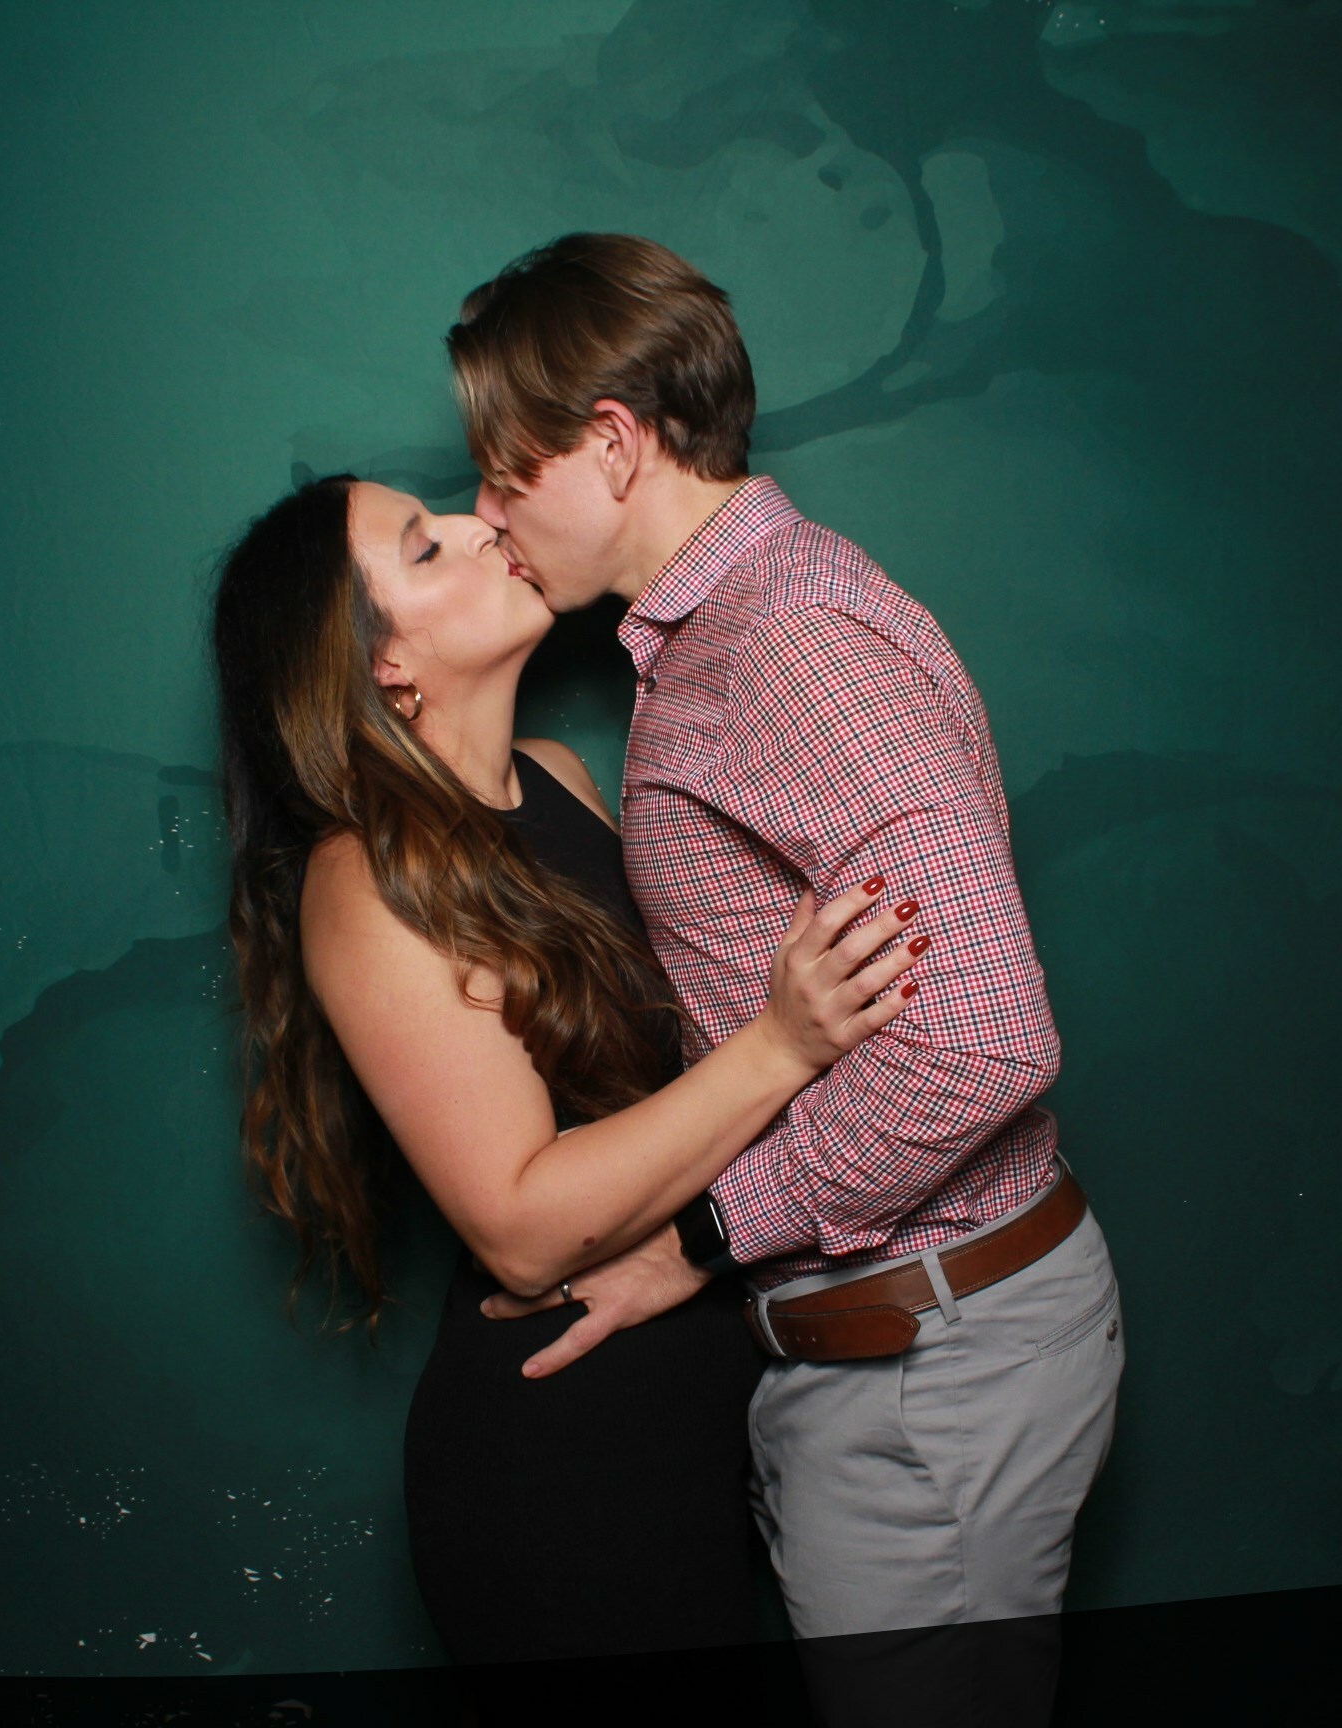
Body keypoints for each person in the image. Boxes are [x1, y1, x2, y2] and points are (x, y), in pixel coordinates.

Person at [452, 233, 1125, 1726]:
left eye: (504, 473)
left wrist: (700, 1237)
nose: (490, 516)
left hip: (929, 1360)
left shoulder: (788, 645)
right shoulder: (725, 635)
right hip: (888, 1346)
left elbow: (986, 1043)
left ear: (612, 443)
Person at [210, 474, 926, 1695]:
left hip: (713, 1408)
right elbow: (523, 1228)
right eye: (427, 548)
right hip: (566, 1463)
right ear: (385, 666)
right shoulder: (364, 882)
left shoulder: (556, 776)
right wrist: (782, 1046)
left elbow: (676, 1062)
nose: (481, 524)